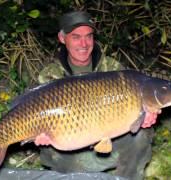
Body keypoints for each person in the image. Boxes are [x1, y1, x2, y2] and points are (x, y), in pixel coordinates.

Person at [37, 11, 156, 180]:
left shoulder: (113, 68)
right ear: (62, 39)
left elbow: (137, 100)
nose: (84, 44)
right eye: (76, 37)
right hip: (70, 142)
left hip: (109, 136)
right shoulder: (50, 75)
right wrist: (40, 134)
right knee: (60, 159)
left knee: (143, 134)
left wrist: (145, 113)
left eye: (89, 36)